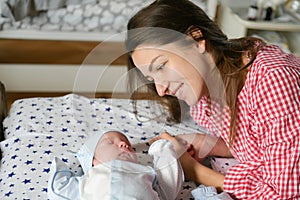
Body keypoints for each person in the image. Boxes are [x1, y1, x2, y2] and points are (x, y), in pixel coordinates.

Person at [125, 0, 300, 199]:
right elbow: (269, 140)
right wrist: (211, 144)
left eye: (161, 67)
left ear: (195, 39)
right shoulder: (206, 91)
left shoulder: (273, 80)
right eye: (152, 79)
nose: (161, 89)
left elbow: (283, 193)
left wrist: (195, 171)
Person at [47, 131, 185, 200]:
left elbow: (169, 183)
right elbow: (58, 190)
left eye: (129, 146)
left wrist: (161, 147)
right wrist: (59, 168)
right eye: (110, 142)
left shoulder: (145, 172)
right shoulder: (88, 179)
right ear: (92, 159)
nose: (124, 144)